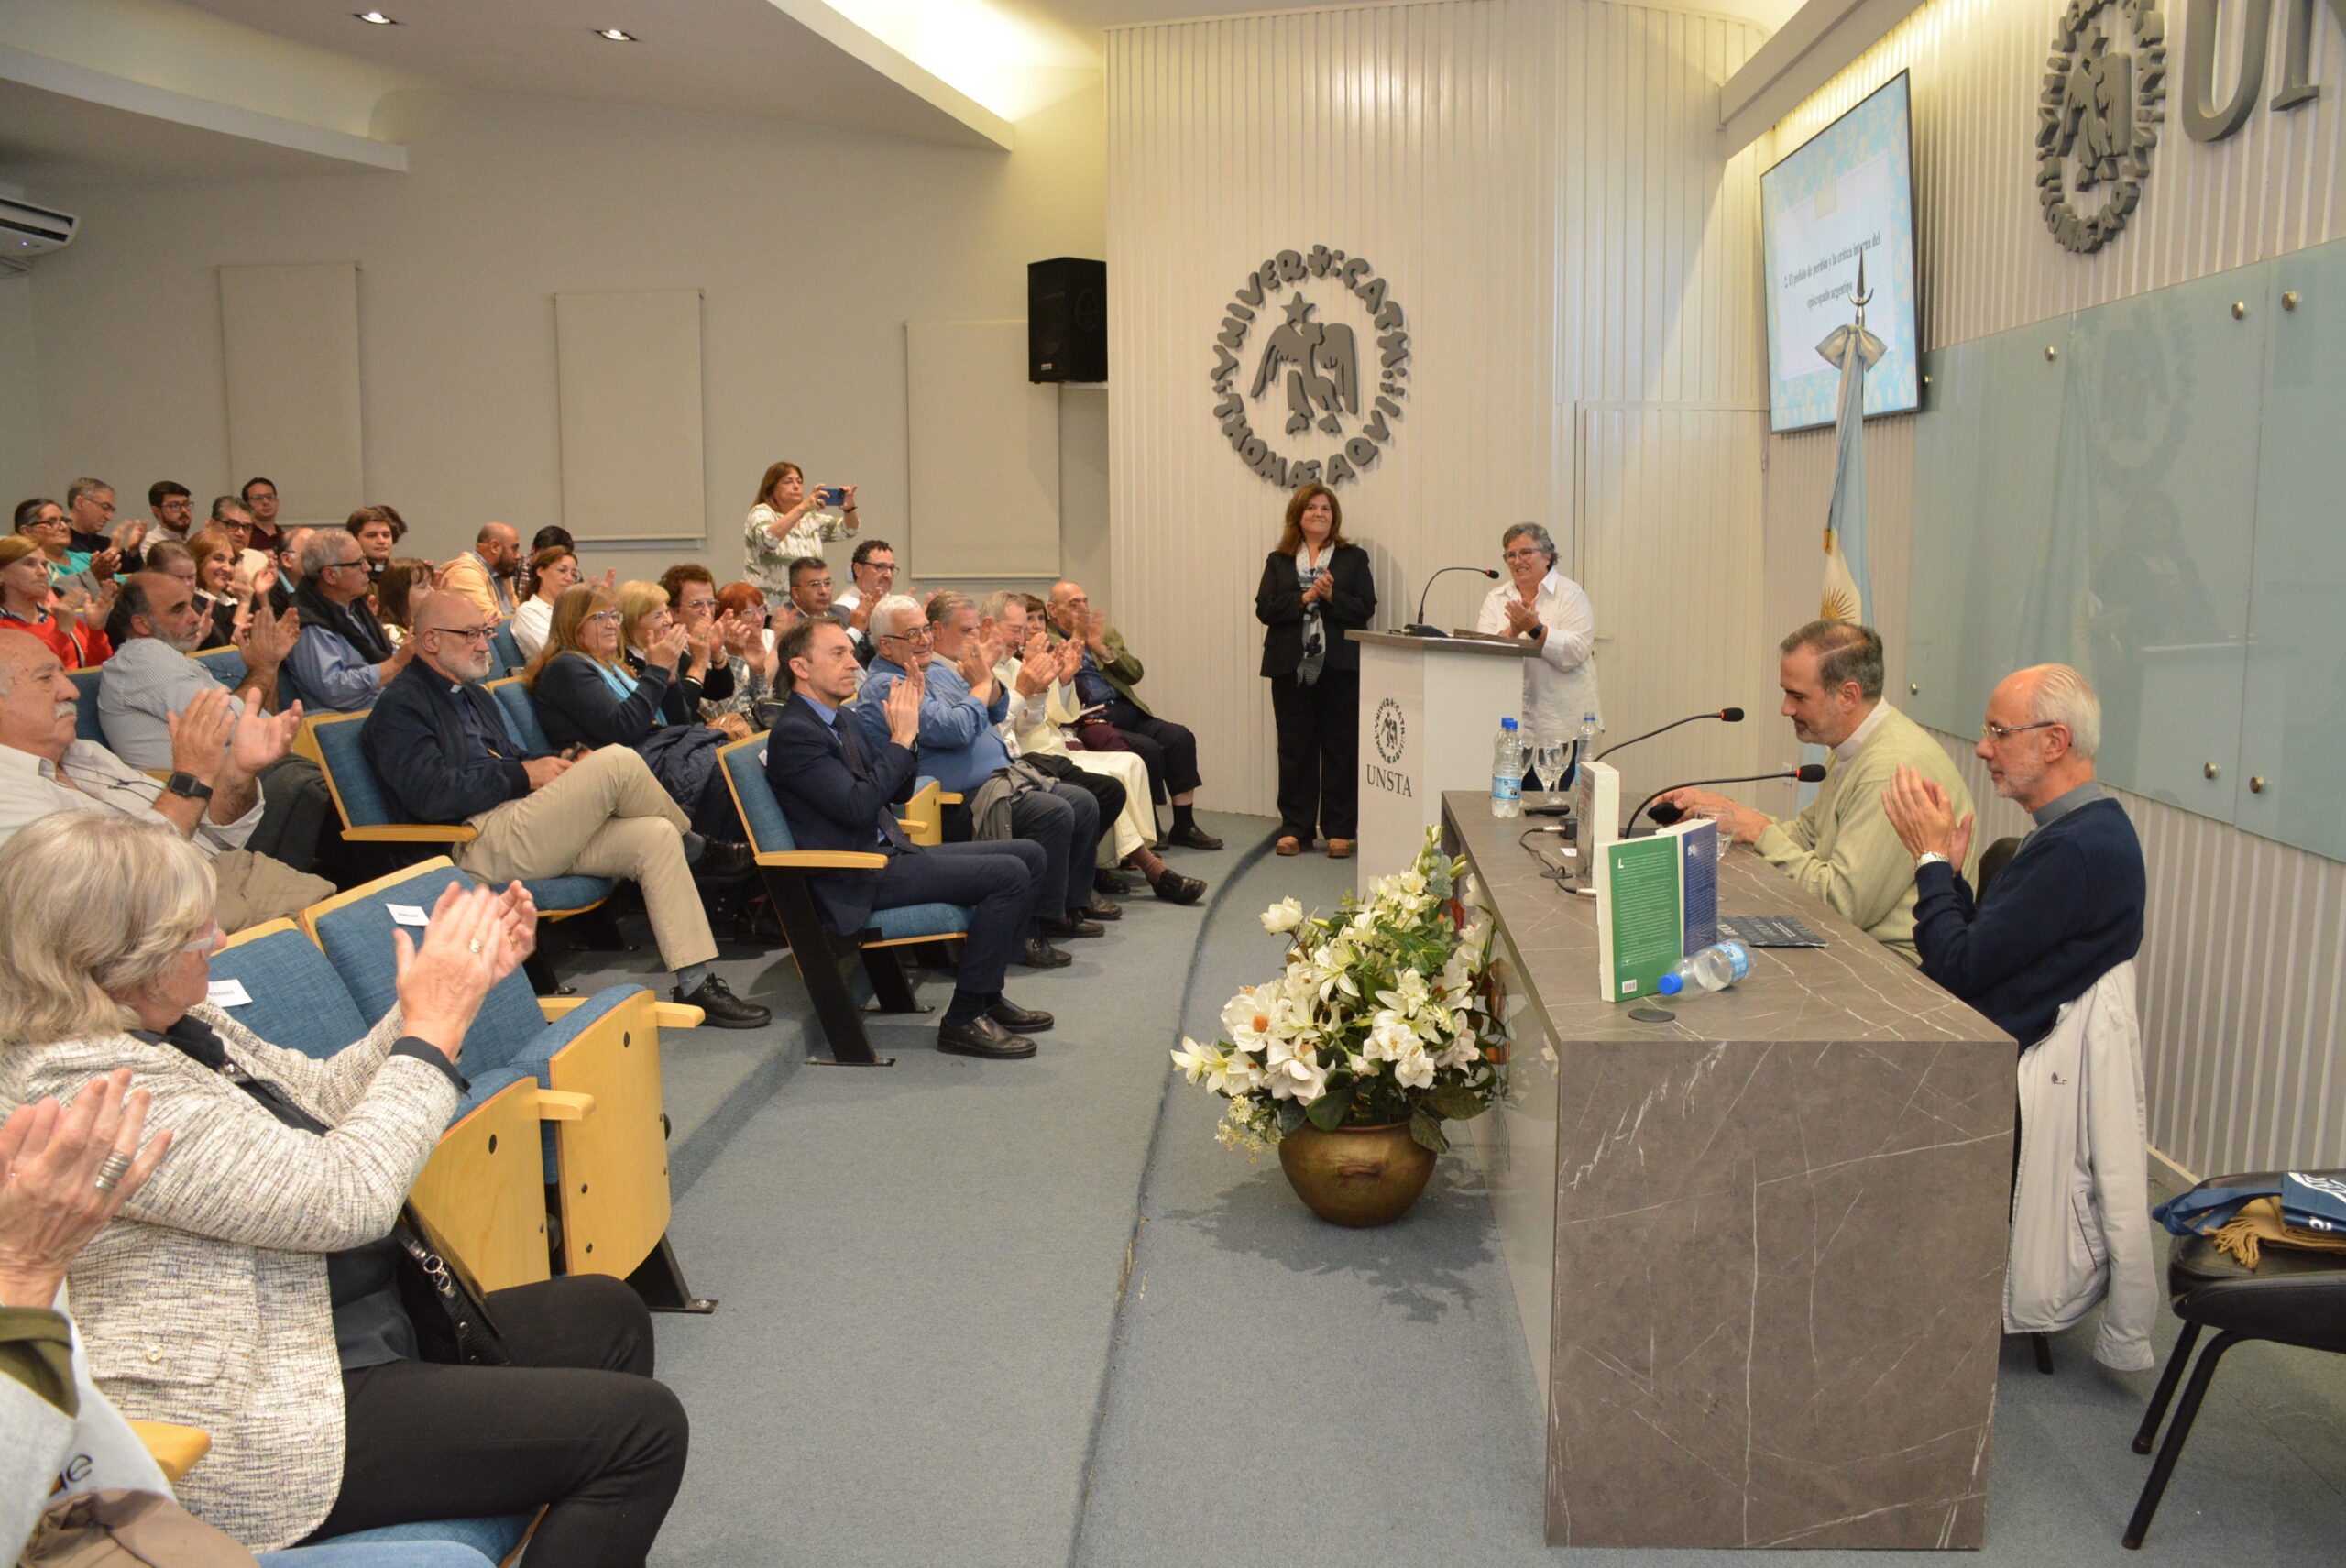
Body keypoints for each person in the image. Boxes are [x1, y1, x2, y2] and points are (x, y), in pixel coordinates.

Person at [0, 814, 693, 1561]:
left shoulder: (166, 1020)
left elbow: (324, 1097)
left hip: (319, 1324)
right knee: (641, 1431)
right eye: (192, 932)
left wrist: (444, 998)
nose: (219, 939)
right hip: (256, 1408)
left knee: (607, 1316)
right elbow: (347, 1198)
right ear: (118, 959)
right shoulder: (88, 1090)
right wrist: (433, 1027)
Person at [364, 591, 767, 1025]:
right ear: (430, 640)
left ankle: (695, 983)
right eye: (470, 635)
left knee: (656, 835)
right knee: (618, 760)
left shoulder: (473, 695)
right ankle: (700, 849)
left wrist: (560, 761)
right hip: (473, 842)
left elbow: (511, 757)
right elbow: (431, 796)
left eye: (484, 633)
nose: (483, 645)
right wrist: (525, 775)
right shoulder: (401, 706)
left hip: (523, 826)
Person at [766, 617, 1056, 1058]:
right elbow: (857, 807)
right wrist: (900, 740)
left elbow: (897, 792)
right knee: (1009, 874)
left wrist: (909, 735)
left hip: (887, 854)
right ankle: (963, 1018)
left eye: (850, 653)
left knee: (1030, 854)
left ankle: (986, 995)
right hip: (853, 874)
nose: (852, 664)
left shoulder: (841, 718)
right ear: (800, 667)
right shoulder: (796, 734)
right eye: (838, 654)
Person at [1659, 620, 1974, 964]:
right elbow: (1809, 837)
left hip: (1892, 963)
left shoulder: (1889, 768)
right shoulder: (1855, 744)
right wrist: (1732, 816)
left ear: (1848, 696)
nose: (1786, 708)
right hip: (1855, 943)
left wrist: (1758, 831)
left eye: (1798, 696)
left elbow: (1842, 906)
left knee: (1714, 964)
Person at [1881, 663, 2145, 1047]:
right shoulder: (2085, 831)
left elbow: (1954, 972)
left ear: (2054, 742)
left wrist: (1930, 861)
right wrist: (1949, 876)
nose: (1983, 748)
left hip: (1994, 1064)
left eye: (1999, 733)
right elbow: (1991, 949)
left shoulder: (2075, 850)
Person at [0, 630, 330, 927]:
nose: (71, 690)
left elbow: (212, 836)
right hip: (165, 921)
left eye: (63, 673)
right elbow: (117, 892)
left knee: (345, 914)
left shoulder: (85, 754)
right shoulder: (7, 792)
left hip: (232, 878)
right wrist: (191, 777)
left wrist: (236, 775)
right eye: (46, 678)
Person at [859, 593, 1113, 942]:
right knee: (1052, 812)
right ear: (886, 645)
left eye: (925, 630)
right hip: (951, 801)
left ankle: (1065, 908)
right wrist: (982, 684)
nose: (924, 640)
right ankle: (1030, 929)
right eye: (912, 634)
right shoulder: (887, 685)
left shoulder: (931, 669)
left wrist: (985, 680)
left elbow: (996, 708)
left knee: (1084, 802)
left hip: (999, 780)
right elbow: (954, 728)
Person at [981, 591, 1204, 905]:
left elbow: (1058, 715)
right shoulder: (984, 668)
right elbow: (1002, 731)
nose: (1024, 635)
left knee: (1133, 762)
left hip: (1049, 747)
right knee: (1106, 785)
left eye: (1031, 623)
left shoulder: (1016, 663)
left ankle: (1103, 866)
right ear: (988, 626)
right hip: (1027, 757)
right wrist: (1029, 689)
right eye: (1017, 628)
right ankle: (1137, 868)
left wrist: (1062, 681)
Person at [523, 584, 744, 837]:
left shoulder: (612, 666)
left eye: (614, 616)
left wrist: (670, 679)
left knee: (738, 761)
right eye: (599, 617)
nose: (611, 624)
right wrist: (656, 671)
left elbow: (680, 724)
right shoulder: (566, 667)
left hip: (655, 756)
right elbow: (623, 729)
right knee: (731, 775)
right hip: (620, 775)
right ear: (573, 623)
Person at [1046, 580, 1222, 850]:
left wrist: (1101, 648)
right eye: (1074, 604)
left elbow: (1135, 674)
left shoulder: (1104, 633)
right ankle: (1150, 826)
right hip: (1088, 718)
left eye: (1085, 601)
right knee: (1146, 749)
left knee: (1179, 737)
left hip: (1125, 708)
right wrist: (1079, 640)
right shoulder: (1046, 640)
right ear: (1052, 610)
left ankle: (1184, 825)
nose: (1083, 608)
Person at [1255, 482, 1376, 858]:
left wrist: (1331, 596)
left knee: (1341, 749)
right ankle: (1296, 828)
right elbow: (1265, 608)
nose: (1319, 513)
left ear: (1333, 516)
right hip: (1289, 667)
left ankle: (1339, 830)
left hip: (1339, 666)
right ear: (1298, 515)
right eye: (1312, 508)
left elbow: (1365, 607)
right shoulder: (1279, 560)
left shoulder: (1352, 558)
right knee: (1295, 749)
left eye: (1325, 508)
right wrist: (1305, 597)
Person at [1475, 521, 1599, 784]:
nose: (1517, 560)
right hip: (1509, 727)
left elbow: (1577, 651)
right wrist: (1514, 629)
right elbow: (1484, 652)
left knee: (1551, 802)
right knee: (1508, 799)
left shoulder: (1570, 595)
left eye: (1525, 552)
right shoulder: (1497, 598)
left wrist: (1535, 629)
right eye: (1511, 555)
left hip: (1558, 726)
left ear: (1548, 557)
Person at [281, 532, 413, 714]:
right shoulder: (310, 625)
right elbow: (333, 690)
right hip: (351, 721)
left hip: (385, 706)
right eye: (358, 563)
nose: (367, 567)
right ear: (330, 575)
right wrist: (395, 664)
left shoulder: (354, 608)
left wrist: (409, 653)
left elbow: (385, 654)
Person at [744, 463, 858, 610]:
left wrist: (849, 509)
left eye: (799, 482)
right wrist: (802, 508)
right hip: (769, 610)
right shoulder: (761, 512)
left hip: (805, 609)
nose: (796, 486)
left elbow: (848, 530)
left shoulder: (809, 519)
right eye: (788, 482)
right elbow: (768, 539)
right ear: (772, 488)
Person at [616, 580, 732, 723]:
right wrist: (699, 664)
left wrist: (716, 652)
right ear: (632, 622)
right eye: (658, 616)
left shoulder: (665, 647)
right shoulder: (624, 664)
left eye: (666, 612)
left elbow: (721, 691)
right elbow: (679, 715)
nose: (669, 621)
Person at [0, 537, 112, 669]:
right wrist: (61, 633)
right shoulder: (4, 629)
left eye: (44, 565)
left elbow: (98, 672)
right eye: (29, 564)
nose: (43, 572)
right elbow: (36, 676)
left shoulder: (58, 616)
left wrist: (96, 630)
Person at [15, 497, 118, 607]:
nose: (64, 527)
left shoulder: (90, 559)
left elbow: (124, 587)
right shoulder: (28, 568)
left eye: (64, 521)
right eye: (51, 522)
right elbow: (49, 601)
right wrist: (93, 576)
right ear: (27, 531)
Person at [702, 582, 777, 727]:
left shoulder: (763, 640)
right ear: (727, 619)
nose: (758, 618)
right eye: (748, 613)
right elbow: (726, 714)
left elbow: (759, 707)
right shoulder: (711, 652)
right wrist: (734, 658)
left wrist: (758, 671)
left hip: (757, 729)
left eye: (761, 609)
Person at [830, 538, 896, 663]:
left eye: (891, 568)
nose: (888, 575)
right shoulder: (842, 610)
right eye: (880, 567)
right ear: (858, 570)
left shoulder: (895, 604)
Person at [438, 523, 522, 622]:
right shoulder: (465, 574)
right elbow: (491, 621)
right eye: (514, 548)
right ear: (494, 547)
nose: (518, 556)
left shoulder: (502, 573)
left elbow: (518, 615)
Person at [185, 526, 250, 649]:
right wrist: (244, 604)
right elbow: (227, 650)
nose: (227, 568)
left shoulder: (232, 603)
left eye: (231, 562)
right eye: (218, 559)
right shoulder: (191, 604)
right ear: (197, 561)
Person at [511, 546, 580, 660]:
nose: (569, 578)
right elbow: (554, 653)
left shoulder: (572, 611)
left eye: (573, 574)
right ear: (540, 571)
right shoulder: (528, 611)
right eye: (562, 570)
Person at [373, 557, 439, 648]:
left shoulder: (426, 626)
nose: (432, 591)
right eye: (422, 587)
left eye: (430, 584)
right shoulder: (391, 632)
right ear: (400, 593)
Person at [62, 478, 116, 556]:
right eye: (105, 507)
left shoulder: (107, 545)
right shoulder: (59, 543)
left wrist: (132, 553)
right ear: (80, 503)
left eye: (112, 511)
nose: (109, 517)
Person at [347, 507, 400, 581]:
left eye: (386, 535)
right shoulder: (348, 578)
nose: (381, 541)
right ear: (355, 539)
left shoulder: (401, 575)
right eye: (371, 535)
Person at [239, 476, 284, 554]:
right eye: (257, 498)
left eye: (270, 497)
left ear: (277, 502)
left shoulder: (286, 539)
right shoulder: (241, 536)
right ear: (246, 504)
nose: (265, 502)